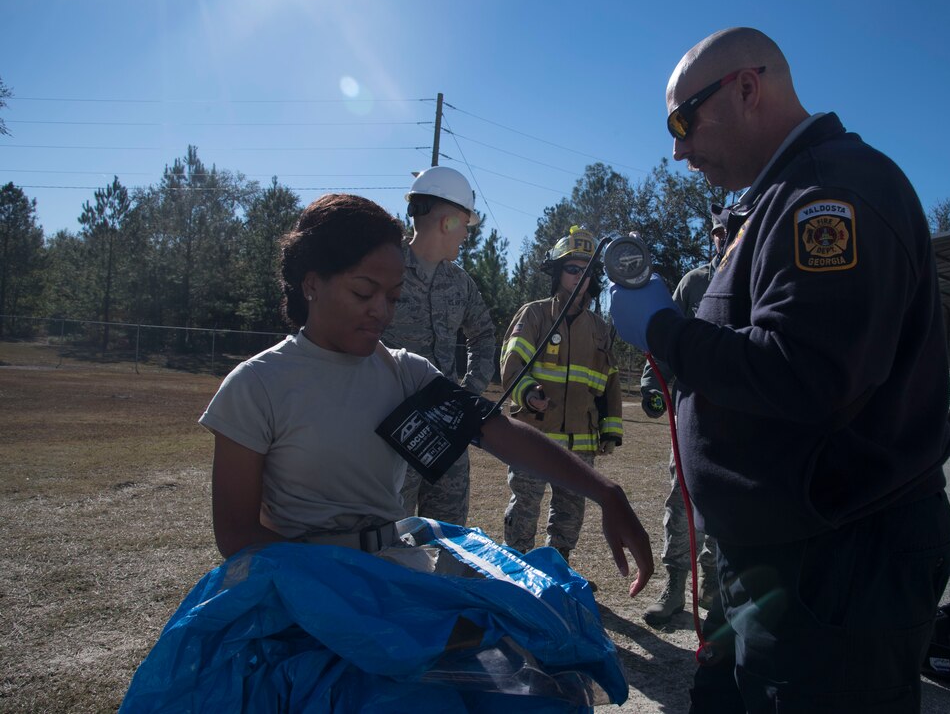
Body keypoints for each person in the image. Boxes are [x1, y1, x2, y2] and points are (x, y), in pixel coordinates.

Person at [609, 28, 950, 712]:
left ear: (746, 87)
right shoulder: (773, 202)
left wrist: (663, 329)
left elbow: (806, 374)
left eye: (683, 120)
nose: (676, 148)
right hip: (775, 555)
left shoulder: (830, 191)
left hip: (836, 565)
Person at [201, 194, 652, 597]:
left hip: (392, 577)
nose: (381, 310)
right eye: (364, 292)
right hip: (300, 592)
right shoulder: (256, 385)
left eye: (394, 297)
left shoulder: (405, 373)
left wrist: (607, 492)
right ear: (311, 283)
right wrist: (342, 586)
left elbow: (495, 430)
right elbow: (238, 534)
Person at [500, 226, 623, 576]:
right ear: (556, 272)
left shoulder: (600, 329)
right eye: (572, 269)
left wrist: (610, 429)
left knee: (571, 510)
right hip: (534, 435)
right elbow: (512, 365)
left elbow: (610, 382)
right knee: (524, 505)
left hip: (579, 441)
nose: (579, 278)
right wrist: (527, 393)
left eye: (586, 271)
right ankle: (515, 570)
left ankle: (558, 568)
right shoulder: (534, 315)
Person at [381, 166, 495, 527]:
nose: (466, 235)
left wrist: (469, 391)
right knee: (389, 540)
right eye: (464, 224)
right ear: (447, 222)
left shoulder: (459, 283)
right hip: (387, 433)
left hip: (447, 433)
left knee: (449, 540)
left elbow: (484, 335)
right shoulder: (384, 270)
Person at [640, 213, 724, 628]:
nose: (723, 240)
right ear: (710, 237)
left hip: (736, 421)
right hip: (689, 415)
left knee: (725, 505)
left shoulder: (754, 279)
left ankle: (713, 586)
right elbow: (664, 336)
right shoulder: (693, 282)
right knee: (681, 500)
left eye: (732, 232)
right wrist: (653, 385)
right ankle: (675, 585)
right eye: (717, 233)